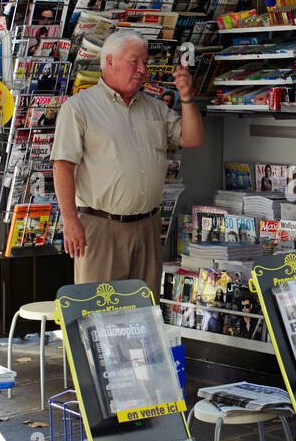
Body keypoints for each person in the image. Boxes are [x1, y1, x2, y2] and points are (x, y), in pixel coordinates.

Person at [51, 31, 204, 295]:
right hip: (100, 226)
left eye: (145, 62)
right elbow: (63, 165)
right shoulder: (79, 107)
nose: (142, 70)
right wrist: (70, 221)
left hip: (147, 226)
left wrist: (187, 97)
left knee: (144, 311)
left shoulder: (154, 108)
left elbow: (191, 139)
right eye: (135, 62)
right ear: (109, 62)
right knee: (99, 312)